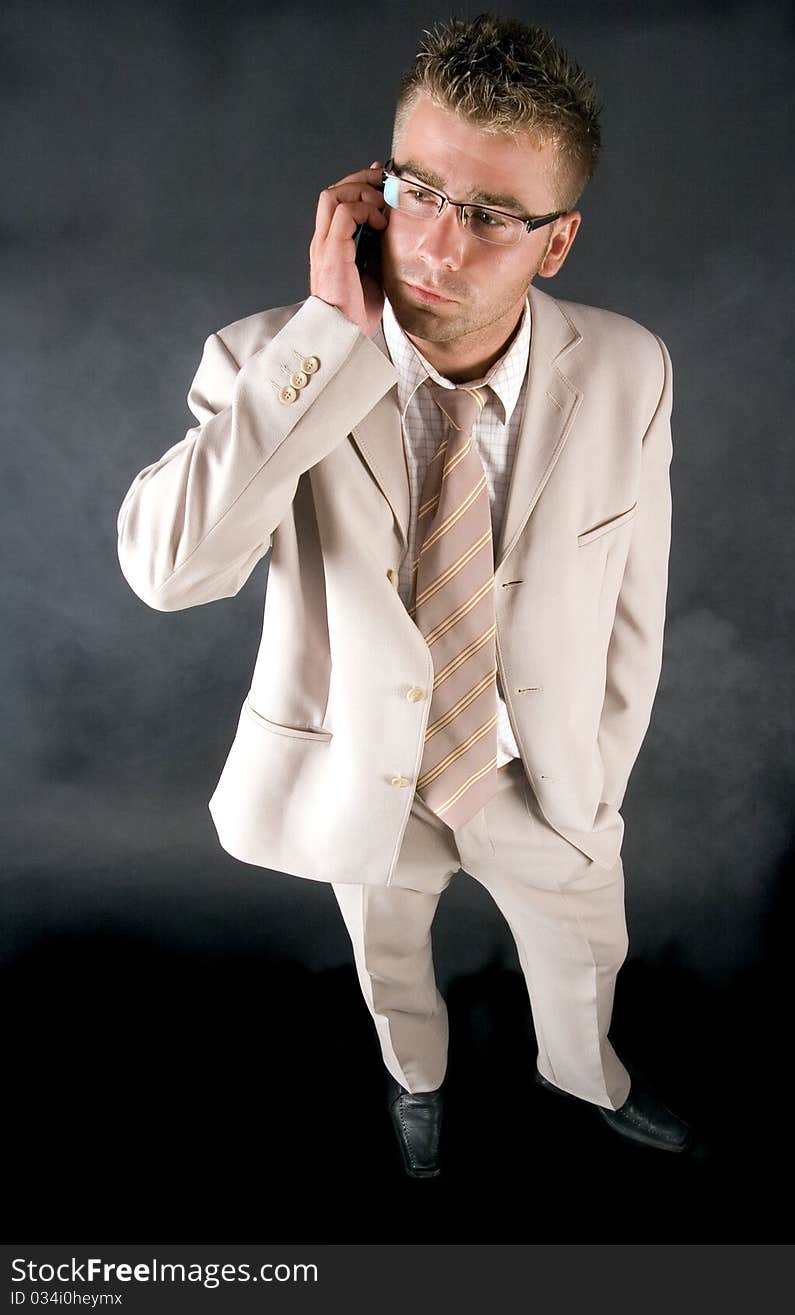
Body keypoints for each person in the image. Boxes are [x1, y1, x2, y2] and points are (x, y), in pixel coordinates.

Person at [117, 12, 692, 1178]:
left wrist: (600, 773)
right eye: (417, 190)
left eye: (489, 216)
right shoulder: (264, 362)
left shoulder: (630, 365)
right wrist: (329, 334)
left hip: (541, 776)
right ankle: (414, 1088)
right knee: (390, 968)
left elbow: (637, 595)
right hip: (365, 772)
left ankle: (591, 1083)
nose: (435, 243)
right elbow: (170, 574)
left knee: (584, 960)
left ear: (557, 242)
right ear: (371, 190)